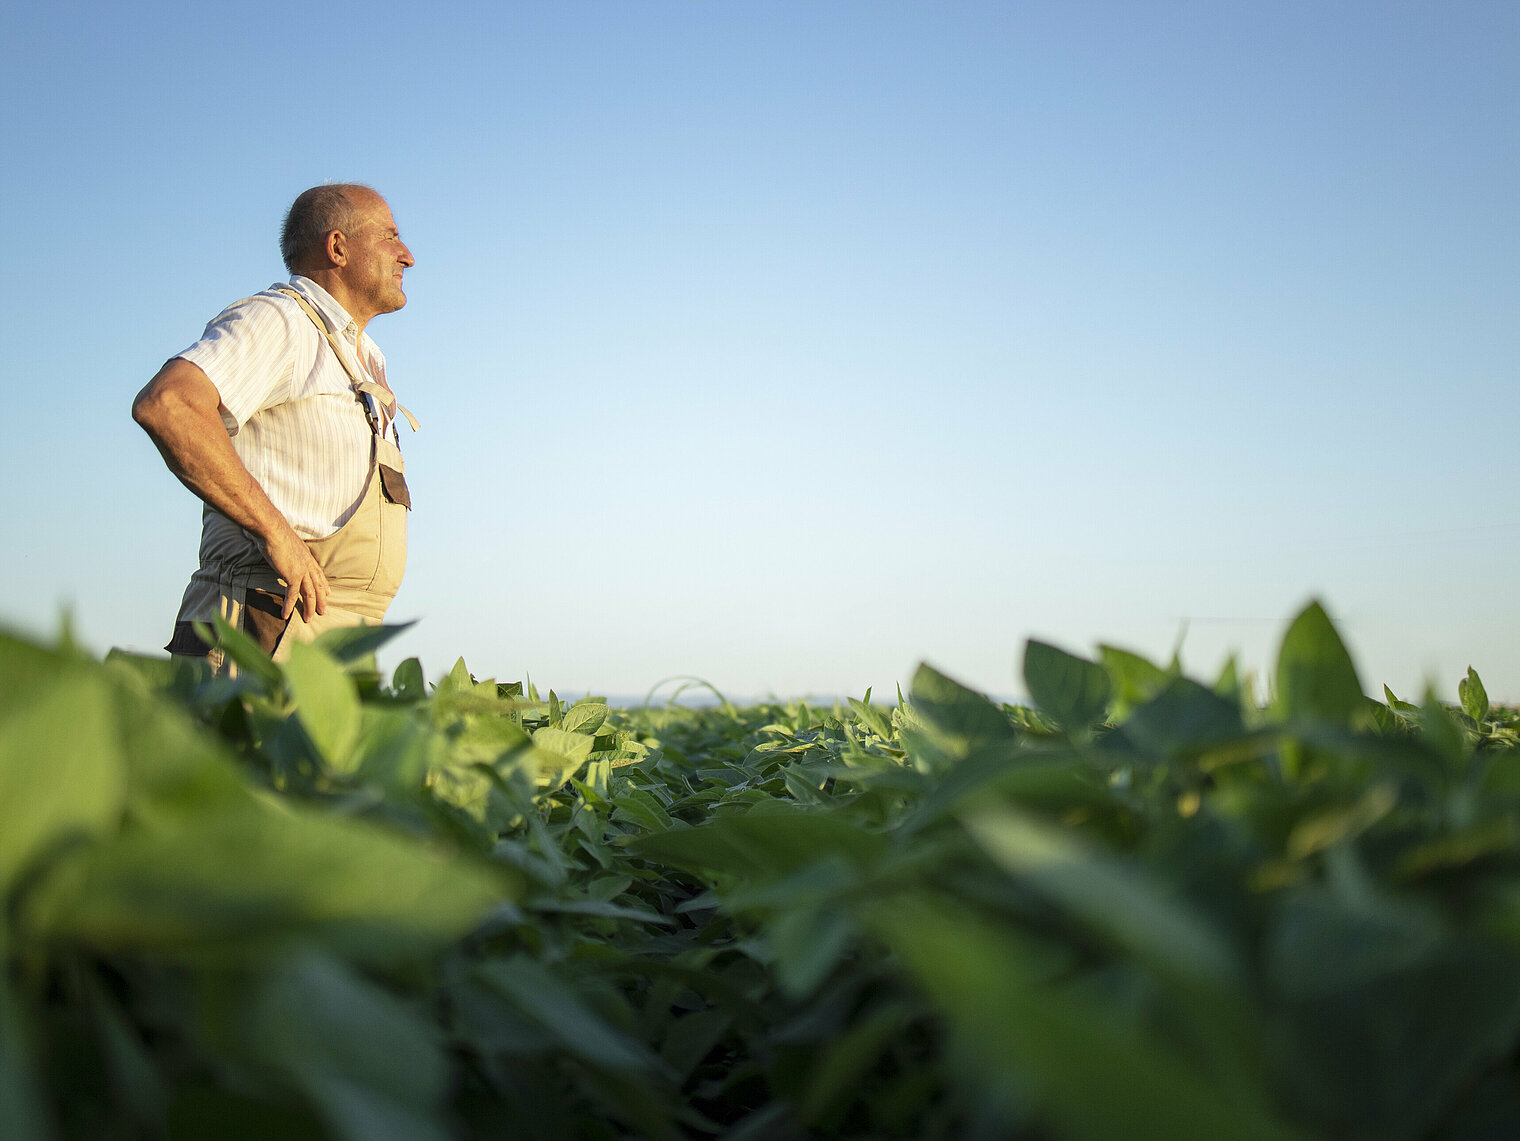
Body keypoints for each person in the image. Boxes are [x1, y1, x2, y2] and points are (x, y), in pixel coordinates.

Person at [133, 183, 418, 668]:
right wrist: (276, 534)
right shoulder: (283, 320)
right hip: (262, 628)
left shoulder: (364, 357)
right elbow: (169, 403)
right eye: (390, 237)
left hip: (334, 643)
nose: (407, 256)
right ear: (338, 247)